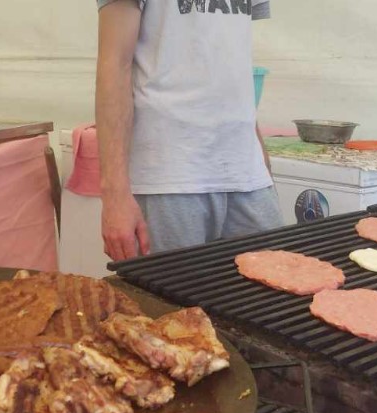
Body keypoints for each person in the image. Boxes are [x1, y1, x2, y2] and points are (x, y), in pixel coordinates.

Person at [95, 0, 284, 261]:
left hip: (247, 175)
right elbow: (114, 64)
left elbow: (230, 58)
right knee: (169, 300)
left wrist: (262, 164)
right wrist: (114, 196)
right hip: (170, 176)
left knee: (270, 297)